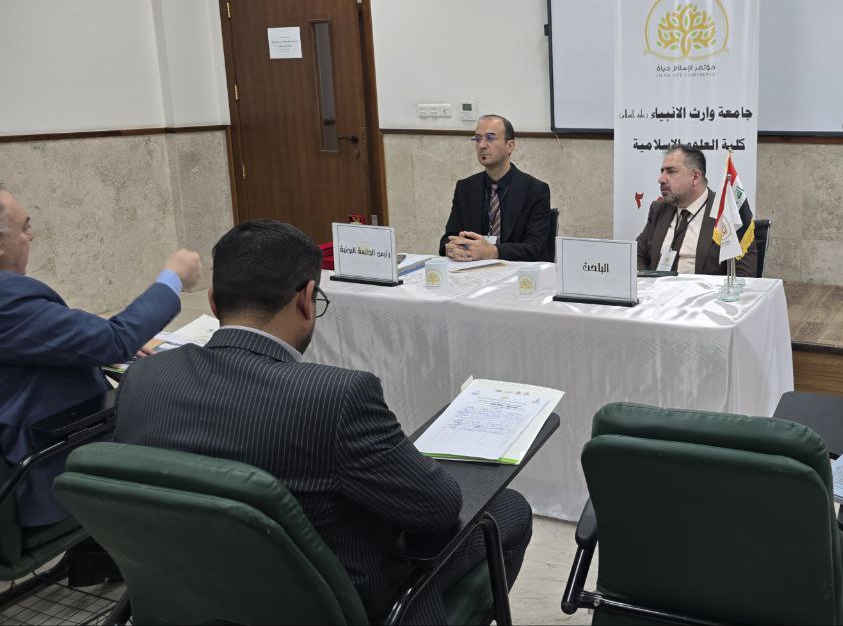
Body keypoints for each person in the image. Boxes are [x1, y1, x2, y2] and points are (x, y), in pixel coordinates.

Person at [115, 220, 532, 623]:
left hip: (185, 599)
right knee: (509, 509)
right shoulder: (337, 396)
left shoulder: (143, 379)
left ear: (212, 301)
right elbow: (437, 508)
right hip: (331, 606)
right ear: (306, 299)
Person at [0, 185, 202, 527]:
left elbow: (29, 340)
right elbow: (116, 340)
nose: (30, 237)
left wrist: (88, 343)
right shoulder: (8, 300)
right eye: (24, 228)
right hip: (47, 469)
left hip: (34, 449)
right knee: (186, 424)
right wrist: (173, 277)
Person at [439, 115, 552, 262]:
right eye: (477, 139)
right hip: (471, 270)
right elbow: (448, 239)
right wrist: (451, 248)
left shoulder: (536, 190)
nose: (482, 145)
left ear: (510, 146)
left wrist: (492, 252)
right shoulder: (465, 188)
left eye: (490, 138)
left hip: (517, 271)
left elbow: (535, 248)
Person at [635, 146, 757, 277]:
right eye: (662, 171)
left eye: (671, 172)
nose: (661, 179)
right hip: (657, 289)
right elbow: (637, 256)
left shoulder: (727, 214)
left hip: (704, 290)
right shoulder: (659, 209)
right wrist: (647, 282)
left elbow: (744, 274)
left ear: (695, 177)